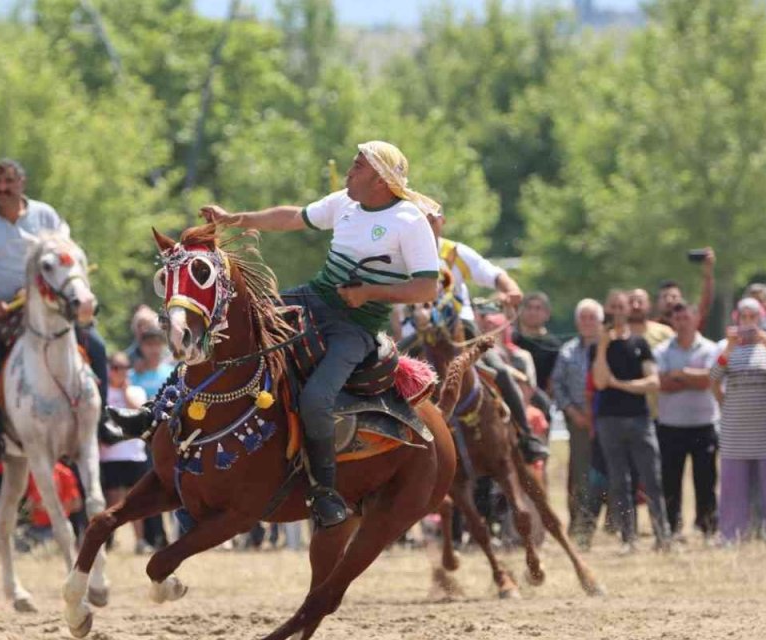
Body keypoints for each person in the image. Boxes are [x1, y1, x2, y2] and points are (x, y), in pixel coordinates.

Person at [186, 140, 441, 527]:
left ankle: (324, 492)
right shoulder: (345, 203)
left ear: (379, 178)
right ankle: (161, 414)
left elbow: (426, 289)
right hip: (310, 298)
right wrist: (233, 218)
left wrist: (369, 293)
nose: (348, 173)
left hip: (356, 325)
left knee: (317, 400)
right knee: (231, 329)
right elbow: (291, 217)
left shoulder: (409, 221)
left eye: (356, 167)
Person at [0, 157, 110, 462]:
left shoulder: (46, 215)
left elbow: (64, 254)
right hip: (1, 308)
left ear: (22, 183)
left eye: (8, 182)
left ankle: (103, 420)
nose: (2, 188)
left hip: (47, 304)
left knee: (96, 345)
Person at [418, 211, 548, 463]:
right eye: (420, 219)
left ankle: (526, 437)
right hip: (417, 332)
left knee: (499, 372)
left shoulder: (453, 252)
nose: (426, 225)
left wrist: (510, 288)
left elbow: (489, 272)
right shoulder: (401, 254)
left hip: (461, 330)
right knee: (388, 375)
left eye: (432, 219)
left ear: (441, 221)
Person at [711, 298, 766, 543]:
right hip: (736, 431)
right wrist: (728, 349)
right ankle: (731, 534)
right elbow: (714, 377)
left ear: (761, 319)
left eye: (753, 317)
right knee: (732, 488)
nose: (748, 322)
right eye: (744, 317)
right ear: (736, 319)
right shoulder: (725, 348)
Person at [592, 290, 671, 553]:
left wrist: (621, 385)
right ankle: (629, 538)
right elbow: (601, 381)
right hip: (609, 421)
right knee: (619, 481)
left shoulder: (641, 343)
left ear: (627, 310)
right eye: (612, 306)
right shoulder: (598, 346)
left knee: (652, 478)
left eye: (621, 306)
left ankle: (663, 535)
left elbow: (653, 382)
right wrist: (603, 345)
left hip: (639, 419)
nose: (617, 311)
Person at [654, 301, 720, 540]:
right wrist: (694, 377)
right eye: (677, 319)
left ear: (696, 320)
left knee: (706, 480)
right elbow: (661, 383)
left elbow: (709, 380)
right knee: (670, 481)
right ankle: (672, 528)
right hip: (671, 425)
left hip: (704, 424)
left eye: (686, 318)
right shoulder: (661, 350)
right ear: (672, 322)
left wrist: (678, 374)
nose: (682, 323)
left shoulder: (710, 348)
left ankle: (708, 526)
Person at [551, 299, 605, 547]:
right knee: (581, 476)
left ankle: (615, 525)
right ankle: (580, 529)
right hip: (578, 423)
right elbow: (558, 385)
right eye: (583, 318)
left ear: (601, 321)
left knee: (613, 474)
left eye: (591, 317)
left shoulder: (610, 347)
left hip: (607, 421)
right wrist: (573, 413)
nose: (587, 322)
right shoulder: (567, 351)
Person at [100, 351, 151, 553]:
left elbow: (138, 412)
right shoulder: (102, 393)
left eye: (123, 368)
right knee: (112, 502)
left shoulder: (136, 390)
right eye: (115, 368)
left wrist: (124, 390)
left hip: (134, 455)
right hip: (110, 455)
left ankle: (140, 541)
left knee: (135, 502)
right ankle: (107, 541)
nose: (119, 372)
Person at [656, 247, 716, 330]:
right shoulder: (651, 328)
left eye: (674, 297)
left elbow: (705, 305)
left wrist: (708, 271)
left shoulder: (690, 324)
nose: (669, 300)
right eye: (664, 297)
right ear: (657, 303)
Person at [514, 292, 562, 393]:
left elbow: (553, 381)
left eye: (538, 308)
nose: (533, 312)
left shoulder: (554, 346)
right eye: (529, 307)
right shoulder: (513, 340)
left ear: (547, 314)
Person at [24, 461, 82, 542]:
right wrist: (35, 506)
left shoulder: (65, 473)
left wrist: (53, 508)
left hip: (59, 526)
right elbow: (27, 508)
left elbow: (77, 504)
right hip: (36, 528)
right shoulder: (34, 474)